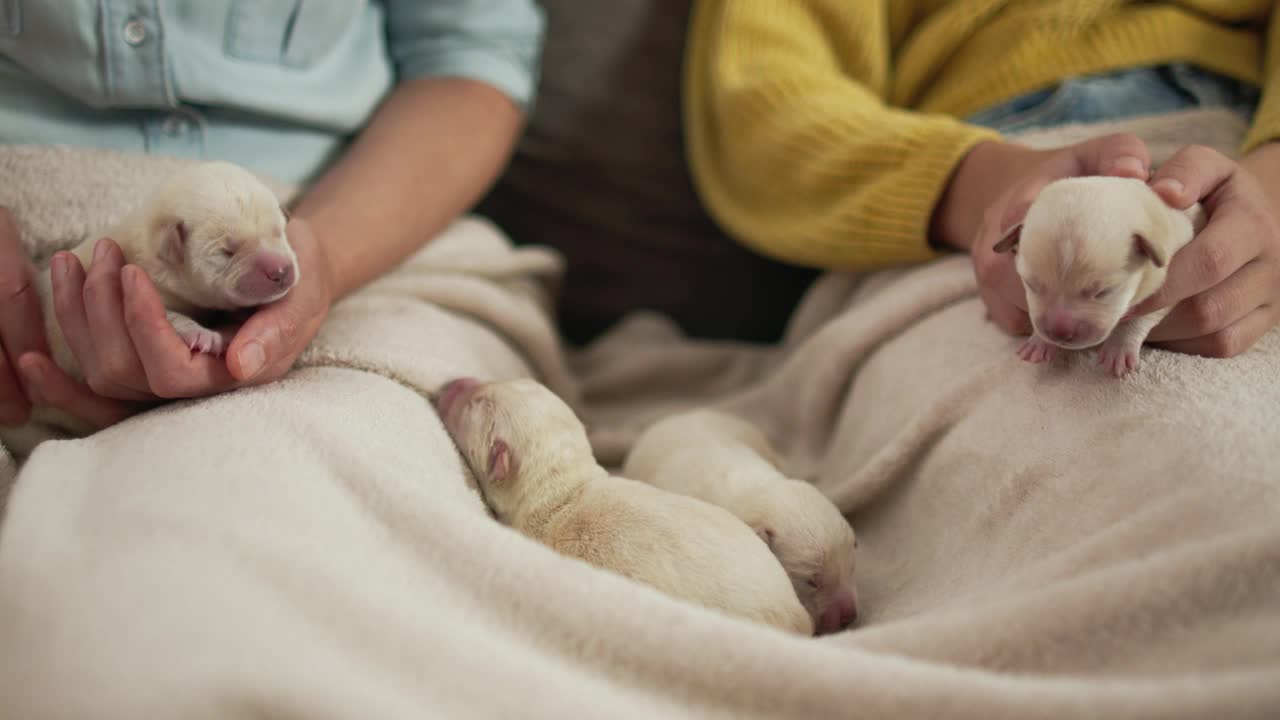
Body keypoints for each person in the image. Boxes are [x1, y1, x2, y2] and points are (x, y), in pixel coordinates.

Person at [0, 1, 544, 432]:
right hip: (29, 229)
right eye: (229, 252)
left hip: (358, 225)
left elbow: (472, 58)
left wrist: (325, 250)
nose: (276, 267)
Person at [683, 0, 1280, 359]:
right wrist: (978, 187)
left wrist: (1270, 184)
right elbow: (759, 107)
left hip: (1234, 154)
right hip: (962, 188)